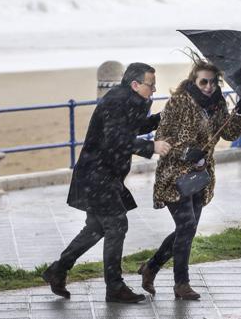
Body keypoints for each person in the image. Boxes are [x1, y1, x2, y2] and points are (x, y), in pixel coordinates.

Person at [41, 63, 171, 304]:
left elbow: (130, 126)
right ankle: (114, 287)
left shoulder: (128, 99)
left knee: (96, 228)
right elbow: (115, 138)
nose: (154, 90)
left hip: (104, 174)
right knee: (116, 225)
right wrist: (150, 147)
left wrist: (160, 119)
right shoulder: (117, 101)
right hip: (97, 174)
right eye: (151, 85)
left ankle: (58, 270)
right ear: (135, 84)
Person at [138, 53, 241, 300]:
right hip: (175, 176)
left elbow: (230, 134)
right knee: (186, 226)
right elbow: (163, 137)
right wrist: (188, 151)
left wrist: (240, 113)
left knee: (186, 230)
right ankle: (181, 284)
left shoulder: (218, 104)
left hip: (200, 176)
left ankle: (151, 267)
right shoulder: (178, 103)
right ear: (194, 81)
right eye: (204, 82)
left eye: (213, 82)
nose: (209, 87)